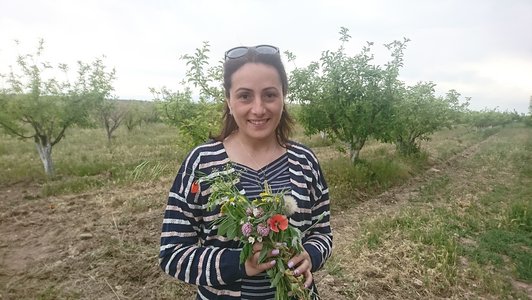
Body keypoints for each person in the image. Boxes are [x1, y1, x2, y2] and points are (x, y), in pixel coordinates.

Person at [159, 44, 332, 300]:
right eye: (245, 96)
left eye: (270, 95)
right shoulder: (202, 164)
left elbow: (322, 233)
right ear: (229, 100)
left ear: (283, 96)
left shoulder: (304, 161)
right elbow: (172, 253)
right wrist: (241, 263)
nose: (259, 108)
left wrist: (310, 255)